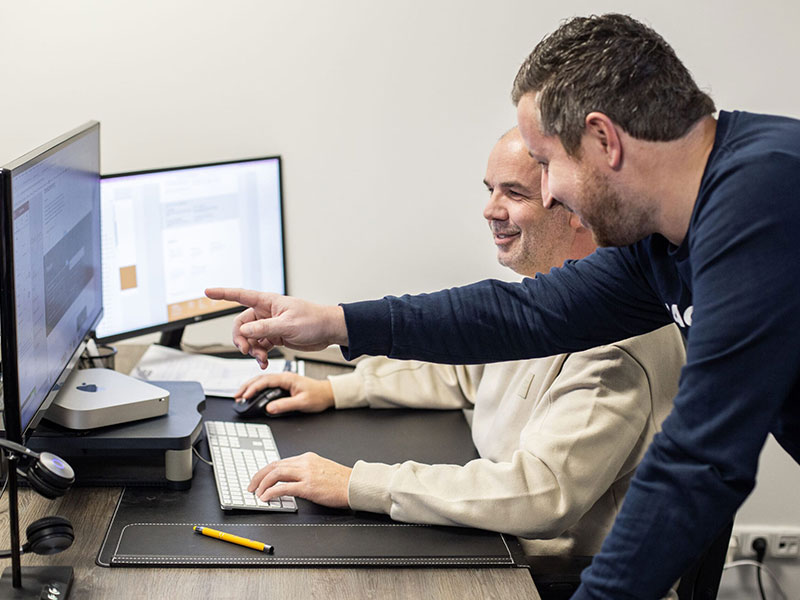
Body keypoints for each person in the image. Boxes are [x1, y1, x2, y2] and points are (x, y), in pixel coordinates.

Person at [206, 13, 800, 599]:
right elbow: (521, 316)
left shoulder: (762, 202)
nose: (549, 193)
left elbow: (698, 464)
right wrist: (336, 323)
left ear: (603, 141)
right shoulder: (665, 241)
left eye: (545, 165)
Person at [232, 127, 685, 559]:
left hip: (553, 576)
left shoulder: (615, 345)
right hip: (499, 543)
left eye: (515, 193)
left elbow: (541, 495)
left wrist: (356, 483)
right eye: (490, 190)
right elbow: (464, 370)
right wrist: (338, 390)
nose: (490, 210)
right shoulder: (541, 305)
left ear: (577, 206)